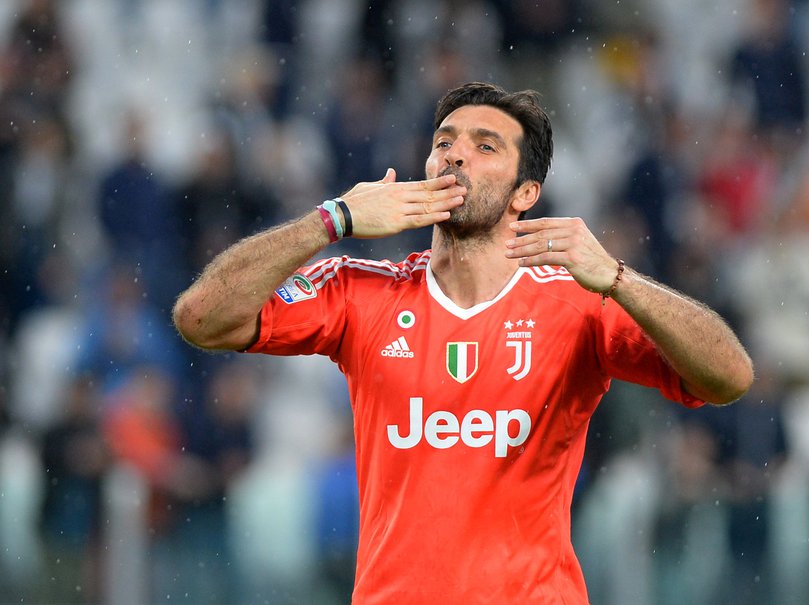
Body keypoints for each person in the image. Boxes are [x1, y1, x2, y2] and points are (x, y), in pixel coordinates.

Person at [173, 81, 753, 604]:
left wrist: (622, 280)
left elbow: (729, 377)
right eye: (444, 141)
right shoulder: (360, 292)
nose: (454, 154)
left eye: (485, 146)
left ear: (526, 194)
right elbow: (201, 319)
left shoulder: (580, 303)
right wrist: (332, 219)